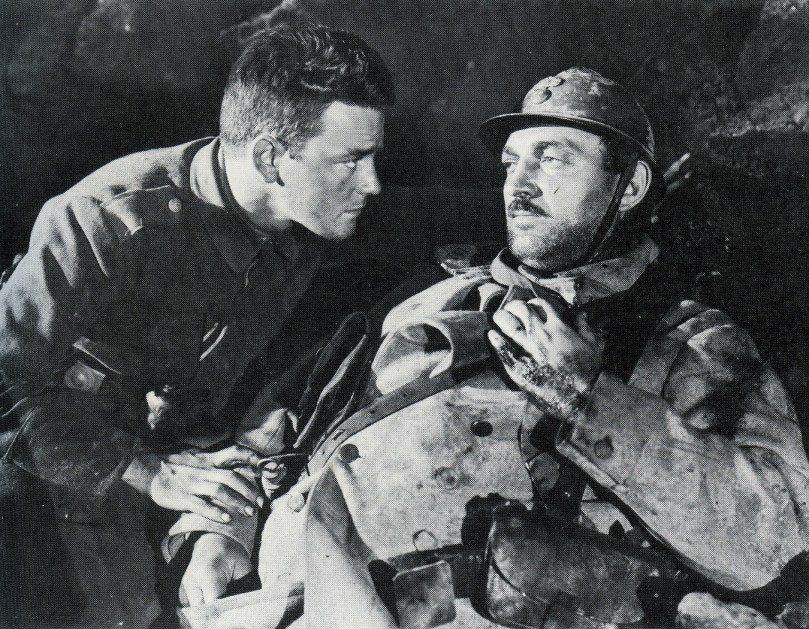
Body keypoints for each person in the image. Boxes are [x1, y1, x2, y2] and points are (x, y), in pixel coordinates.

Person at [174, 68, 809, 629]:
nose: (518, 184)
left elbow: (775, 539)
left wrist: (591, 399)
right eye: (511, 163)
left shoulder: (689, 345)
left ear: (631, 184)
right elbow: (278, 426)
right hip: (302, 599)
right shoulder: (425, 299)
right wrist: (219, 531)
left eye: (552, 158)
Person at [0, 23, 397, 628]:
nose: (372, 184)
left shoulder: (312, 229)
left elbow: (254, 393)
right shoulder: (105, 222)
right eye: (350, 160)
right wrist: (146, 472)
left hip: (182, 460)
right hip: (54, 461)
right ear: (269, 158)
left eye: (374, 157)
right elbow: (6, 387)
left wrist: (220, 513)